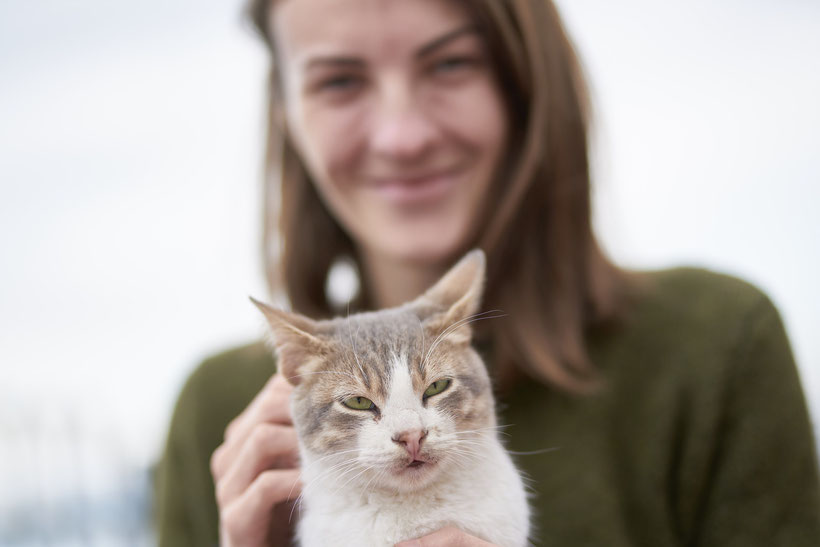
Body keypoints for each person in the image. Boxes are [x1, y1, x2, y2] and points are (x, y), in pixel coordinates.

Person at [154, 0, 820, 545]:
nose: (403, 135)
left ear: (525, 80)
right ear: (285, 113)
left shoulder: (716, 346)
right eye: (339, 80)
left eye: (450, 63)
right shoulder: (220, 418)